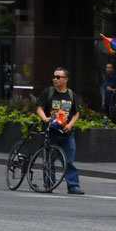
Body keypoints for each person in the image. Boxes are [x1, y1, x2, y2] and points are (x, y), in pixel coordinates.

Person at [36, 66, 84, 194]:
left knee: (68, 160)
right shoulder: (48, 92)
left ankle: (73, 186)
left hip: (67, 133)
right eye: (54, 77)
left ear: (66, 79)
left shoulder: (71, 95)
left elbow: (76, 113)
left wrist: (70, 125)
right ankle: (49, 184)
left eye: (58, 77)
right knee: (49, 159)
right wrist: (45, 118)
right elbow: (39, 108)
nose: (55, 79)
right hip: (51, 132)